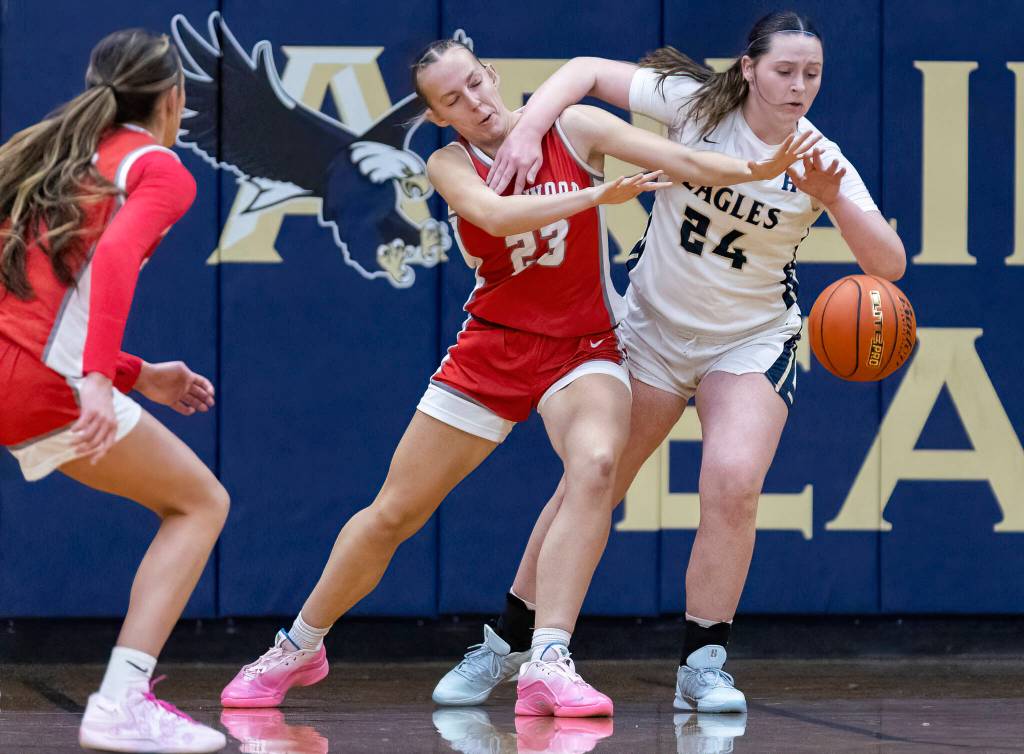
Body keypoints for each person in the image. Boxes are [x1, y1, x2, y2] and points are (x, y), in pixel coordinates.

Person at [221, 37, 808, 717]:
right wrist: (597, 194)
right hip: (493, 347)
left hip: (583, 347)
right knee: (394, 513)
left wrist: (758, 168)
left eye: (475, 83)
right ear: (438, 115)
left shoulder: (574, 126)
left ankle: (548, 658)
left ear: (492, 75)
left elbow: (681, 159)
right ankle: (299, 644)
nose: (473, 102)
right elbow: (496, 215)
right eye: (453, 99)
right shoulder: (447, 162)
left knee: (596, 465)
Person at [435, 10, 906, 714]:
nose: (799, 85)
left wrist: (835, 197)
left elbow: (889, 265)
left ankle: (703, 664)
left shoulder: (817, 155)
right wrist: (531, 126)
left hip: (749, 339)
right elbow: (584, 71)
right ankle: (507, 643)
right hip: (651, 329)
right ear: (748, 69)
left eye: (812, 73)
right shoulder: (698, 104)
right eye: (784, 70)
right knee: (592, 482)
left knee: (733, 483)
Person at [0, 29, 228, 753]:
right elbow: (118, 257)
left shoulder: (49, 158)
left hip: (18, 365)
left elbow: (33, 306)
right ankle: (122, 701)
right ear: (173, 98)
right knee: (199, 503)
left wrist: (136, 374)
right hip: (42, 382)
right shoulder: (159, 168)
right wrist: (100, 378)